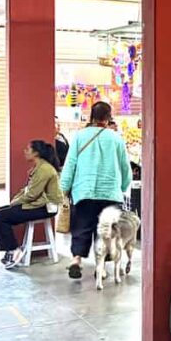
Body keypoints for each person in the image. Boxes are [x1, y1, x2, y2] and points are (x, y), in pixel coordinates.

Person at [60, 101, 132, 280]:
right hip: (110, 194)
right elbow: (126, 168)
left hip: (84, 192)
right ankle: (101, 268)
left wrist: (64, 188)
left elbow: (70, 165)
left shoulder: (79, 136)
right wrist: (122, 187)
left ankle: (76, 260)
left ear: (91, 116)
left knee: (81, 227)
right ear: (108, 118)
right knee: (106, 232)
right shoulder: (116, 139)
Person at [0, 140, 64, 269]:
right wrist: (15, 200)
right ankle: (9, 249)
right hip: (36, 204)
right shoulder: (38, 167)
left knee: (0, 217)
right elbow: (27, 191)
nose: (25, 151)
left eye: (28, 149)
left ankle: (14, 250)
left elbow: (32, 194)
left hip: (45, 208)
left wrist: (15, 202)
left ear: (36, 153)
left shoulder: (44, 169)